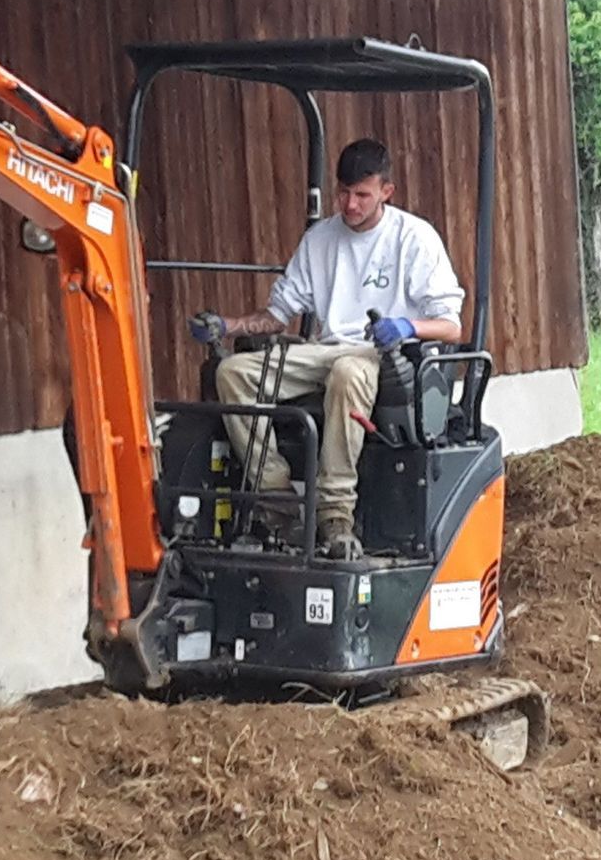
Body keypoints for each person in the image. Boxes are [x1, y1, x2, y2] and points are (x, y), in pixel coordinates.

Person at [191, 138, 464, 560]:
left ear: (386, 192)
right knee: (233, 374)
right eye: (343, 193)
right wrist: (226, 325)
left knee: (349, 372)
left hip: (383, 355)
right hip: (325, 347)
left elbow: (450, 325)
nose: (350, 205)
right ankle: (277, 501)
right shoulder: (320, 240)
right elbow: (277, 316)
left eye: (362, 195)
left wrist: (406, 325)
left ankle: (335, 513)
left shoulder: (414, 238)